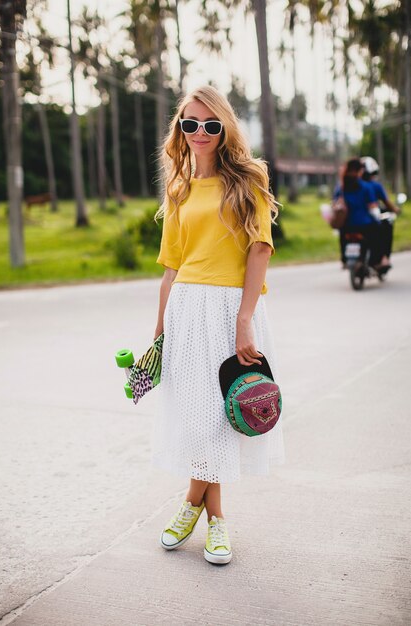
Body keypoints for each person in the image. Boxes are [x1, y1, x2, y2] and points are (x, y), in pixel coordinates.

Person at [151, 85, 285, 565]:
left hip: (231, 310)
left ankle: (192, 507)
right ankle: (215, 522)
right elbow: (171, 268)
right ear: (180, 130)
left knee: (221, 417)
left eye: (211, 124)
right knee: (199, 417)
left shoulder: (248, 178)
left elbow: (260, 249)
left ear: (224, 127)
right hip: (187, 308)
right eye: (191, 124)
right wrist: (159, 332)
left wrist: (245, 319)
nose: (201, 132)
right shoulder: (179, 187)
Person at [334, 158, 390, 271]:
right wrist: (377, 216)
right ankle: (376, 261)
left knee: (342, 234)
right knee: (379, 233)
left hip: (347, 225)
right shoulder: (366, 187)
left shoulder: (341, 188)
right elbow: (373, 207)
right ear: (359, 171)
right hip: (365, 224)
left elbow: (335, 204)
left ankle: (345, 259)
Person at [361, 156, 400, 261]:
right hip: (370, 220)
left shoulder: (352, 186)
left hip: (355, 221)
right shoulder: (372, 186)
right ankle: (383, 258)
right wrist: (396, 210)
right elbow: (385, 203)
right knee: (385, 228)